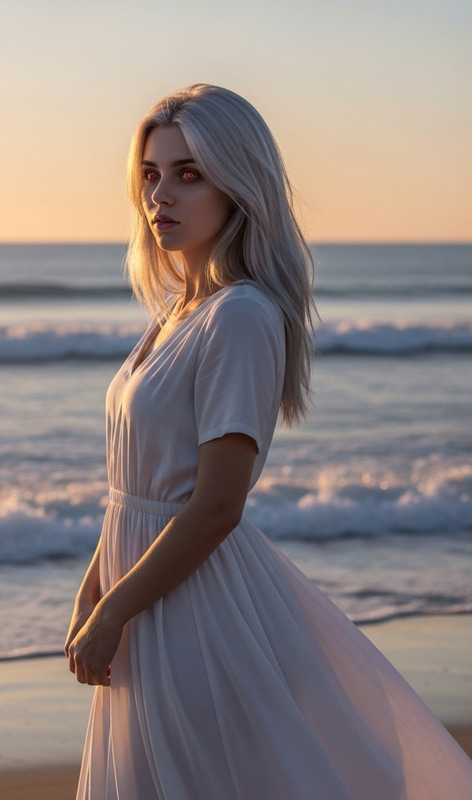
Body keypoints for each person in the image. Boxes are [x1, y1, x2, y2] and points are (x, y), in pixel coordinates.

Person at [64, 84, 472, 799]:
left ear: (238, 185)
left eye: (189, 174)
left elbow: (216, 504)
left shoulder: (241, 315)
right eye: (151, 174)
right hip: (143, 593)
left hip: (192, 606)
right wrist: (95, 587)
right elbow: (137, 486)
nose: (161, 194)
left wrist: (117, 607)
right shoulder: (174, 314)